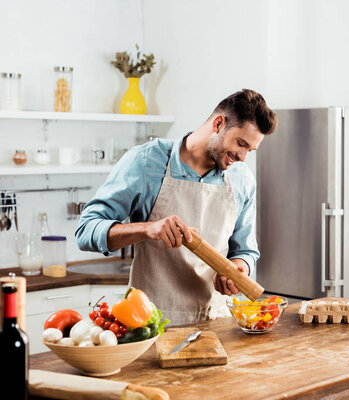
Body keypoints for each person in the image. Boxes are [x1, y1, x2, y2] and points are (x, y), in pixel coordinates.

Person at [76, 89, 277, 325]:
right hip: (151, 323)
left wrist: (238, 268)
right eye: (240, 143)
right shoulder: (145, 162)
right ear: (219, 123)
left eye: (249, 150)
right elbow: (86, 231)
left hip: (217, 322)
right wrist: (147, 229)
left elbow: (245, 251)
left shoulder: (242, 178)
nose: (243, 157)